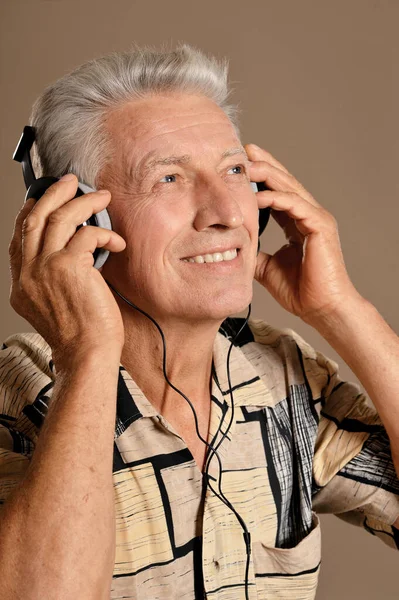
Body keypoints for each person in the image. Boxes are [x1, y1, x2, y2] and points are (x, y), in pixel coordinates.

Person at [0, 43, 398, 600]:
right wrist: (86, 356)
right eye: (169, 178)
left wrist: (341, 308)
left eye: (235, 171)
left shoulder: (283, 381)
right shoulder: (16, 398)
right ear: (79, 218)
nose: (228, 213)